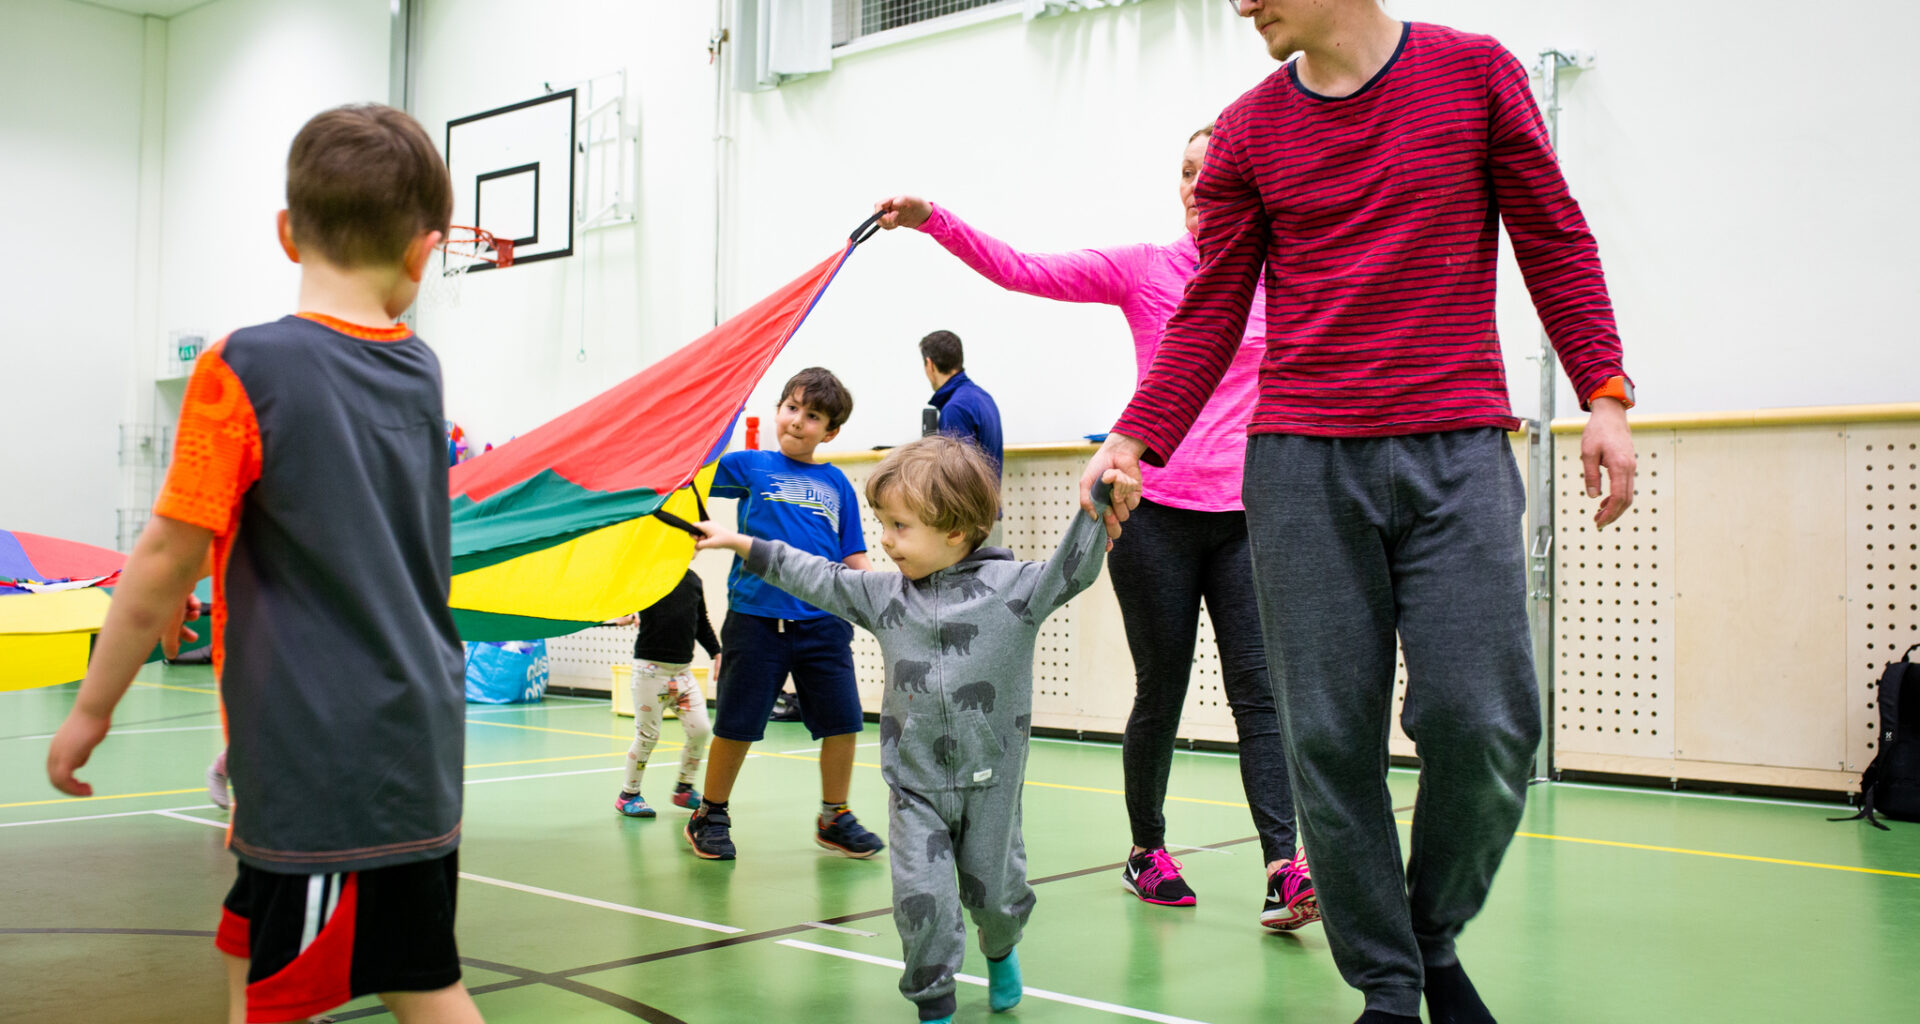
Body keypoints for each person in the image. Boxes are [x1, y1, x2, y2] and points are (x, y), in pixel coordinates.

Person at [1080, 4, 1637, 1022]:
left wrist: (1602, 390)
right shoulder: (1248, 129)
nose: (1242, 4)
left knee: (1485, 718)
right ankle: (1388, 984)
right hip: (1298, 466)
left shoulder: (1474, 74)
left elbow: (1553, 236)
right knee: (1329, 740)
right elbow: (1212, 304)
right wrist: (1135, 436)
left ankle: (1425, 933)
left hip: (1456, 446)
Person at [46, 104, 483, 1024]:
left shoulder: (245, 366)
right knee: (334, 954)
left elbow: (167, 552)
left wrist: (93, 706)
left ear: (287, 233)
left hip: (325, 757)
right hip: (417, 738)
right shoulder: (419, 369)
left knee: (383, 987)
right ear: (423, 252)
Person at [875, 127, 1313, 931]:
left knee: (1261, 693)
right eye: (1183, 172)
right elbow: (1025, 270)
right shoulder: (1148, 269)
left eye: (1209, 173)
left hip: (1250, 516)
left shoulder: (1281, 271)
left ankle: (1284, 868)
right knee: (1164, 689)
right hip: (1152, 514)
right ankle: (1148, 850)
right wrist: (933, 218)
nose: (1193, 185)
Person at [693, 435, 1136, 1024]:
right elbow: (817, 577)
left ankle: (1001, 949)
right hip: (914, 788)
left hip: (992, 786)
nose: (884, 539)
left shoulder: (1015, 592)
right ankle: (935, 1006)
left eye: (899, 526)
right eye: (882, 523)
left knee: (995, 897)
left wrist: (1101, 498)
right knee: (919, 900)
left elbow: (1073, 569)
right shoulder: (885, 596)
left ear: (954, 529)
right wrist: (743, 543)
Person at [686, 367, 887, 862]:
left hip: (825, 623)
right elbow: (697, 475)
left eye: (813, 415)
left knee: (843, 723)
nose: (798, 421)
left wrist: (887, 595)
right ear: (777, 411)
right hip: (756, 620)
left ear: (831, 431)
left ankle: (834, 815)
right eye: (792, 408)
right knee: (736, 724)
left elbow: (852, 556)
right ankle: (710, 813)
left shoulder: (836, 483)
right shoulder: (750, 466)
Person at [611, 569, 718, 818]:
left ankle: (684, 787)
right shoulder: (647, 575)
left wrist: (716, 652)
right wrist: (627, 612)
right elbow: (625, 602)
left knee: (700, 730)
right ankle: (628, 794)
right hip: (650, 672)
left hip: (682, 673)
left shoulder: (693, 581)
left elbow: (701, 622)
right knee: (648, 735)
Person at [918, 330, 1004, 478]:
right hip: (989, 499)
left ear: (930, 365)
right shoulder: (983, 397)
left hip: (971, 501)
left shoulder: (955, 409)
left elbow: (956, 481)